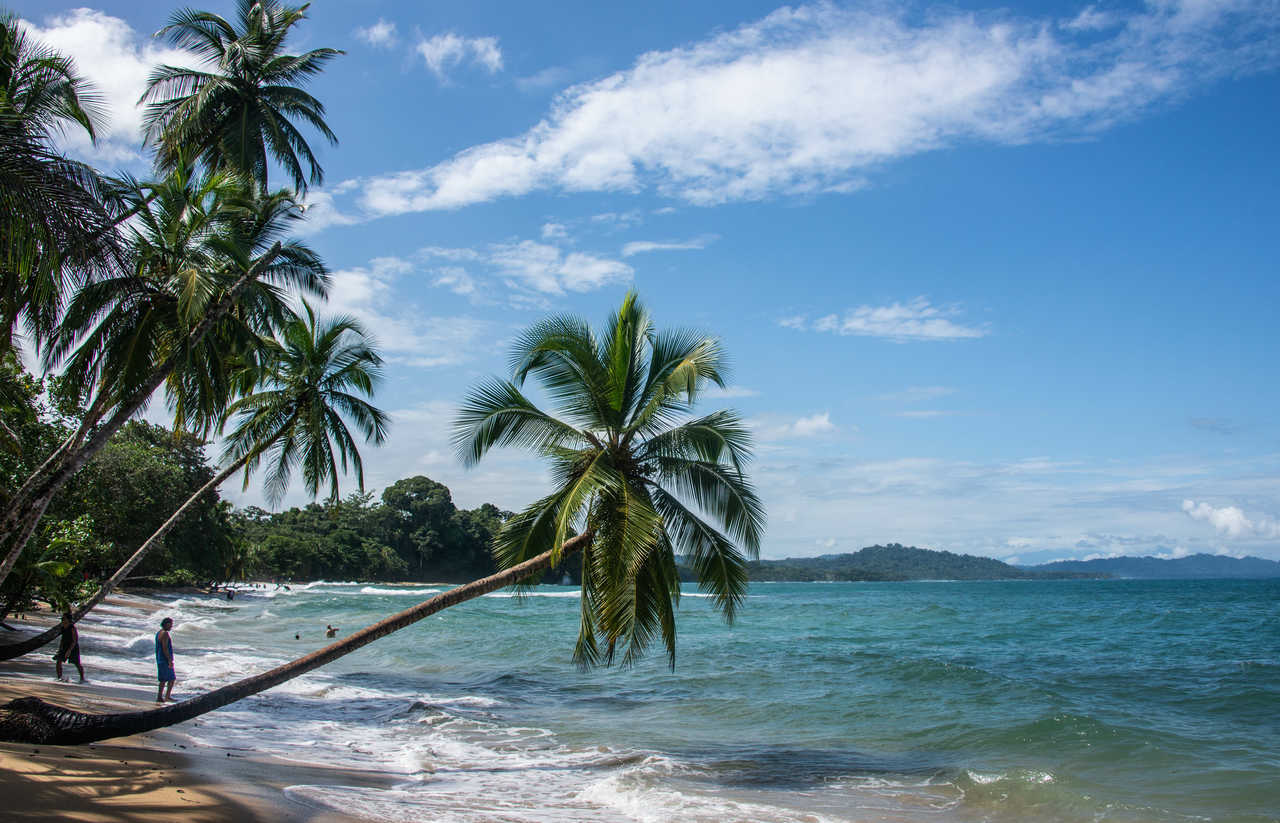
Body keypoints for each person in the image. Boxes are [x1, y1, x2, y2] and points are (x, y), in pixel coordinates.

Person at [54, 612, 84, 682]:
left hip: (73, 647)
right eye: (62, 619)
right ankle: (59, 678)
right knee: (58, 661)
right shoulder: (63, 627)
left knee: (77, 663)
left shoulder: (72, 628)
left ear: (68, 620)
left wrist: (69, 651)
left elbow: (74, 640)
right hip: (64, 646)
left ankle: (82, 679)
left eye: (64, 618)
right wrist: (60, 648)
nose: (62, 620)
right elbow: (62, 638)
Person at [155, 617, 176, 702]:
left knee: (163, 680)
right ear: (166, 624)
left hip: (160, 659)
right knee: (171, 679)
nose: (171, 627)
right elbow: (165, 649)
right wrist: (170, 660)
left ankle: (160, 697)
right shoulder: (165, 634)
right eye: (170, 625)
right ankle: (167, 696)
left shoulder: (159, 633)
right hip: (164, 660)